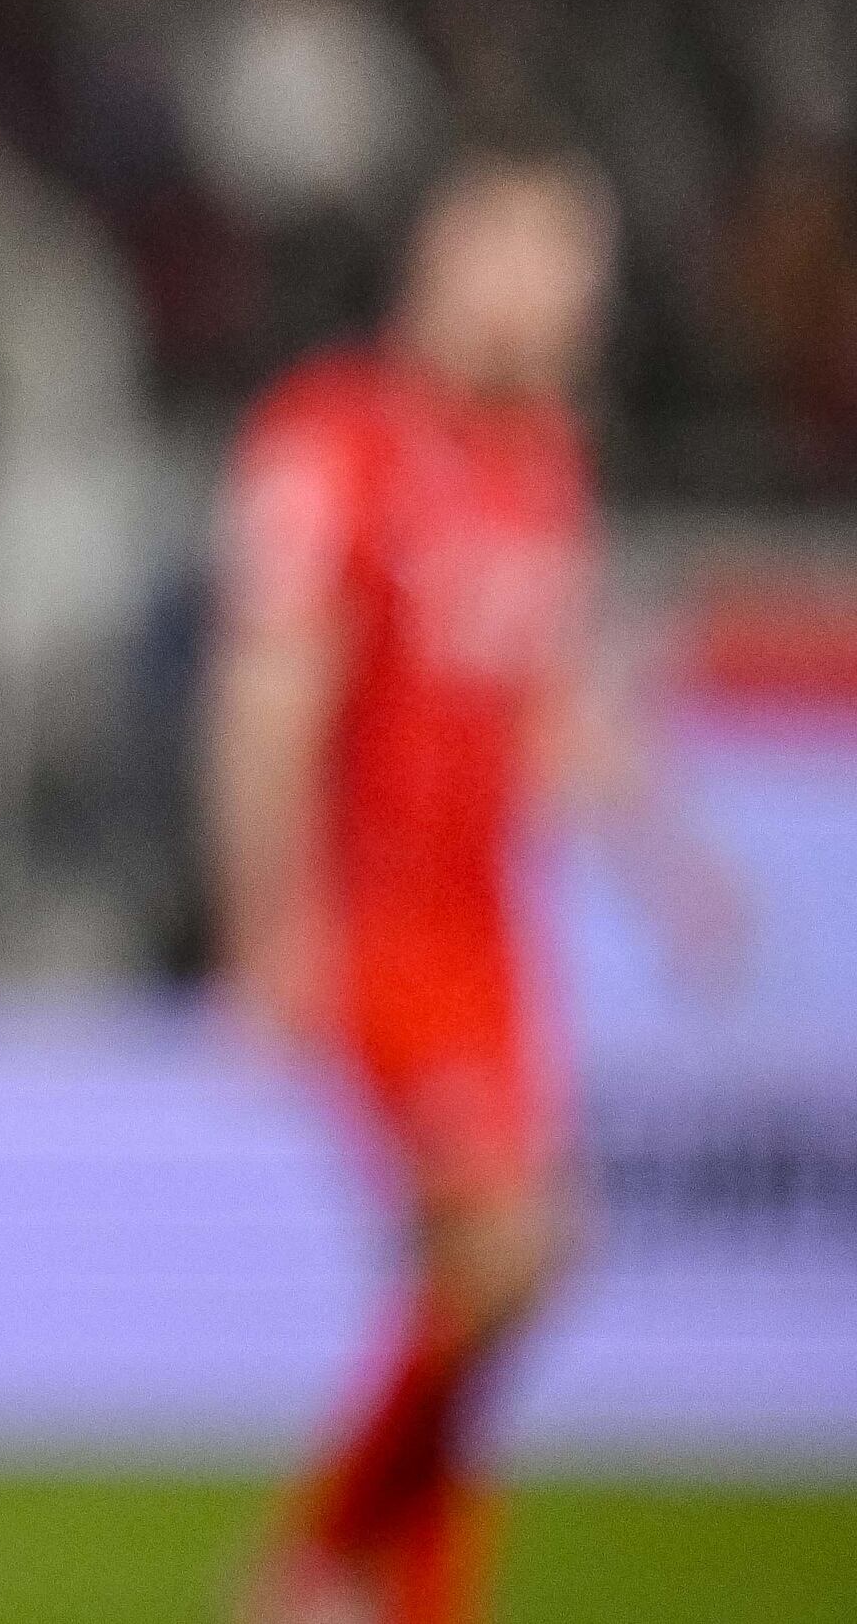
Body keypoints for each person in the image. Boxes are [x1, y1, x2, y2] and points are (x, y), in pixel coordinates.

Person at [211, 147, 745, 1624]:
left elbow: (550, 713)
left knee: (472, 1294)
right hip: (379, 915)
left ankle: (367, 1587)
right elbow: (269, 692)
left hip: (493, 934)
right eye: (554, 261)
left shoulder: (543, 462)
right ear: (456, 253)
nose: (578, 302)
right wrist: (268, 925)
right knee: (513, 1250)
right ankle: (315, 1559)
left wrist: (679, 873)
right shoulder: (332, 437)